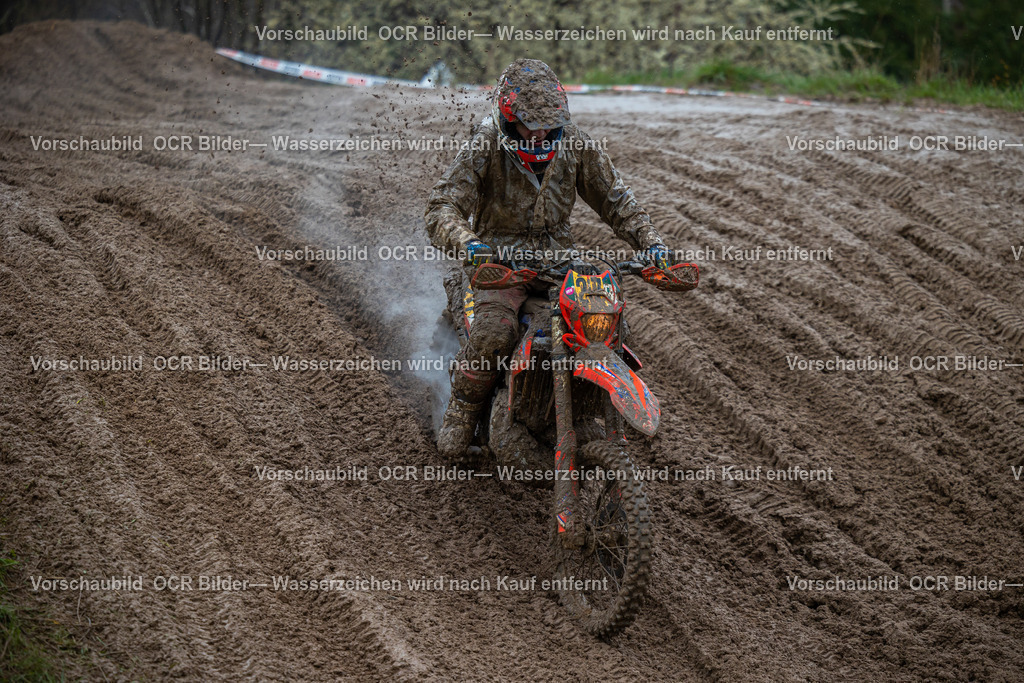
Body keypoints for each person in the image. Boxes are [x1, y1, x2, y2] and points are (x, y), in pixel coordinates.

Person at [425, 58, 673, 460]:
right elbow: (441, 207)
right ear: (508, 120)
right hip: (500, 264)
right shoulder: (485, 144)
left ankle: (582, 409)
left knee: (607, 322)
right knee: (494, 332)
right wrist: (471, 245)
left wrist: (653, 246)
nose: (539, 134)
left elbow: (617, 201)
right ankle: (462, 413)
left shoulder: (574, 144)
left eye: (548, 125)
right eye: (528, 124)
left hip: (560, 263)